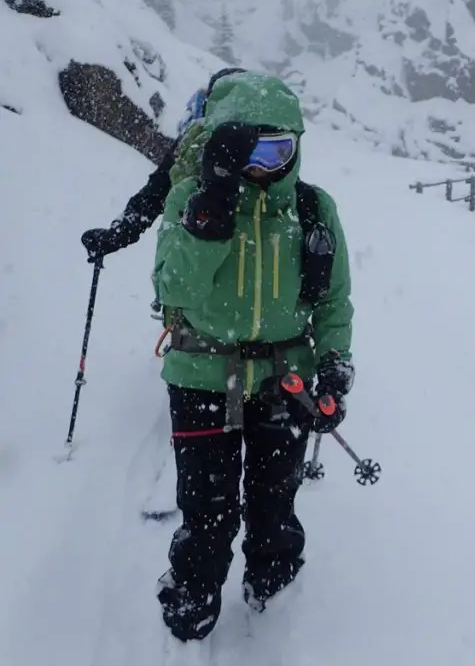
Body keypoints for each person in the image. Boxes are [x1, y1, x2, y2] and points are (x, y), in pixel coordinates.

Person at [151, 69, 355, 642]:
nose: (263, 164)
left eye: (278, 148)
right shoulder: (191, 201)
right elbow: (175, 291)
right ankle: (194, 588)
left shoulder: (314, 209)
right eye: (246, 149)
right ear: (221, 145)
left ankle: (277, 580)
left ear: (296, 147)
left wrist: (335, 364)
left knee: (275, 498)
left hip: (284, 378)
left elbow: (335, 302)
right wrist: (209, 216)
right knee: (206, 507)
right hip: (200, 374)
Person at [79, 67, 248, 263]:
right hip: (255, 265)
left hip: (191, 259)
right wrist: (117, 235)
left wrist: (117, 234)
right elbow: (154, 194)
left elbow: (154, 194)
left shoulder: (192, 147)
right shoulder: (275, 148)